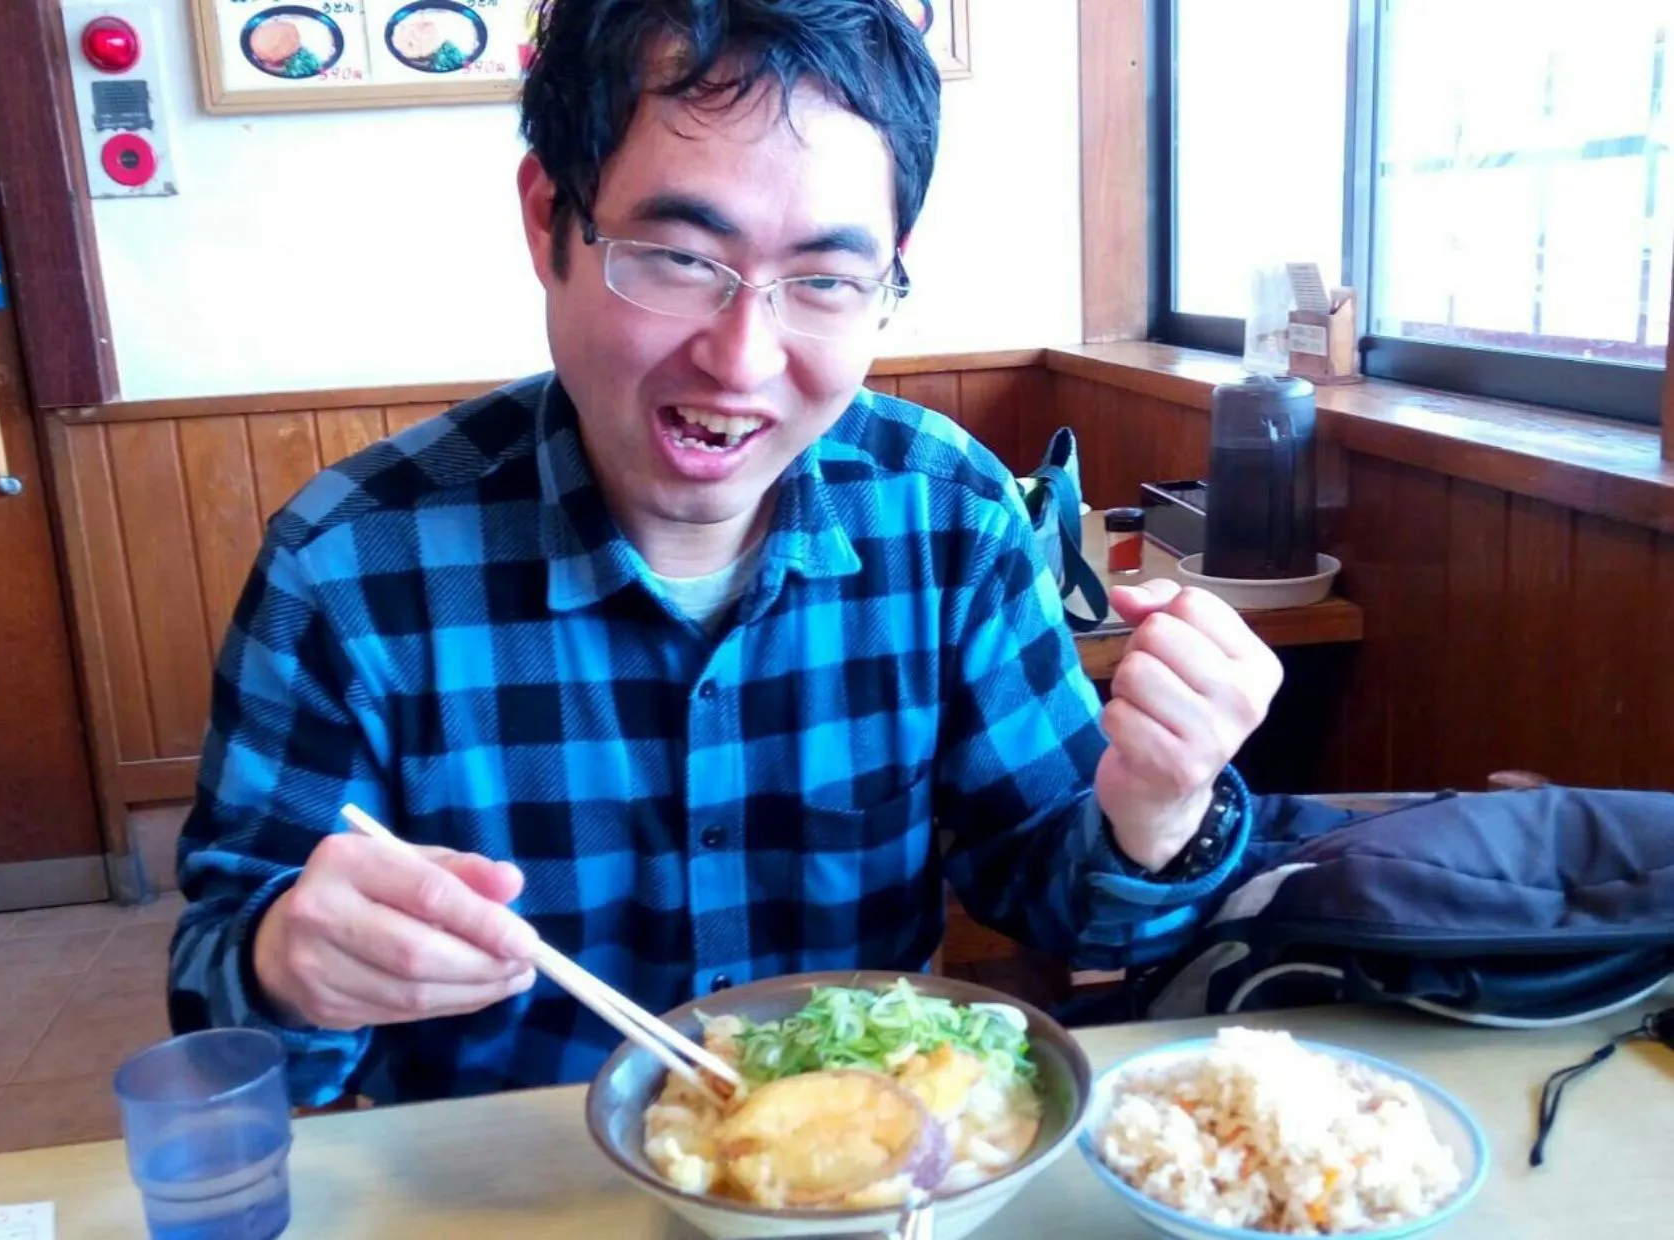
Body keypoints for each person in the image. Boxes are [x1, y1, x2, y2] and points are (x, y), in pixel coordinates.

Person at [169, 0, 1283, 1107]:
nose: (742, 360)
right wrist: (286, 966)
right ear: (549, 219)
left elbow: (1055, 889)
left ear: (885, 279)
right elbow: (221, 1008)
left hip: (862, 1161)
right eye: (678, 258)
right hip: (510, 1182)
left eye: (824, 279)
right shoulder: (349, 565)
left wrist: (1158, 807)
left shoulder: (948, 516)